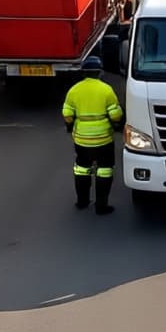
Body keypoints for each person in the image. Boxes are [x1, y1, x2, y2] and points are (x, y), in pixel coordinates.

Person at [62, 56, 125, 214]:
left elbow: (67, 114)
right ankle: (101, 206)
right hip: (104, 139)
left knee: (82, 169)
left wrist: (72, 124)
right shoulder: (106, 90)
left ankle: (82, 202)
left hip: (82, 139)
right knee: (105, 170)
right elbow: (116, 115)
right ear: (99, 72)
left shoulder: (74, 90)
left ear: (84, 72)